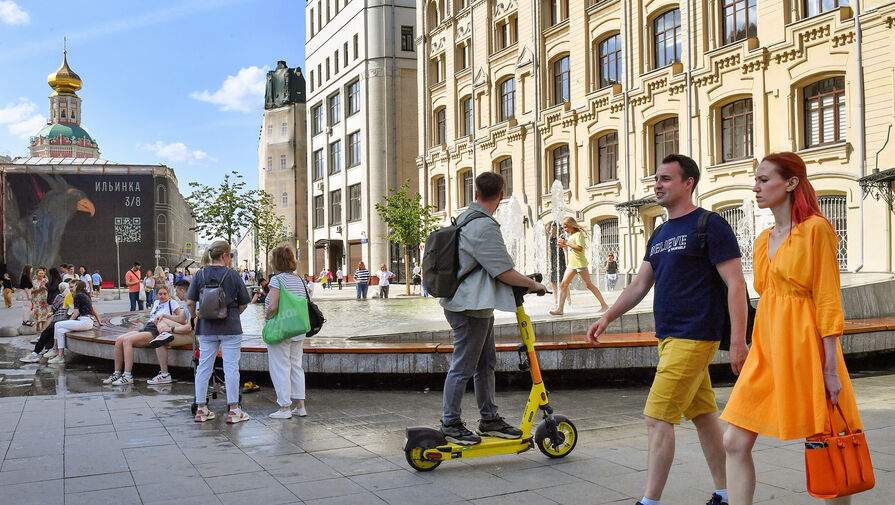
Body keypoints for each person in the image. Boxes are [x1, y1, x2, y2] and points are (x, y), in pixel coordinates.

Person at [587, 154, 747, 505]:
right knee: (704, 417)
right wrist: (607, 316)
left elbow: (736, 284)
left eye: (666, 179)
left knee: (656, 418)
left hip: (696, 334)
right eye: (656, 179)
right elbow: (640, 284)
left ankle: (649, 502)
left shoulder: (710, 224)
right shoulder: (660, 232)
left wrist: (737, 341)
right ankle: (726, 493)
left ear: (688, 182)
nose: (657, 185)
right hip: (670, 335)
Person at [721, 153, 864, 505]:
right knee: (733, 441)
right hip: (767, 351)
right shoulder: (762, 239)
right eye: (755, 180)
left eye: (764, 180)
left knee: (827, 442)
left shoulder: (816, 229)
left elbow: (828, 300)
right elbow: (766, 298)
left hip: (806, 350)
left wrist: (830, 369)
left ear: (791, 183)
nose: (756, 187)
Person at [439, 172, 546, 445]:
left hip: (475, 305)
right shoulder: (483, 226)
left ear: (476, 193)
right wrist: (533, 286)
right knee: (463, 366)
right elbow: (503, 271)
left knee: (485, 363)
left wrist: (524, 281)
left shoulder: (466, 217)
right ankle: (450, 423)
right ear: (501, 195)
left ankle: (489, 419)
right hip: (469, 307)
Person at [187, 240, 251, 424]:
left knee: (203, 368)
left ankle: (201, 409)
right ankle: (234, 411)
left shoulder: (200, 274)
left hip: (206, 327)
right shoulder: (233, 275)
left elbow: (190, 302)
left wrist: (194, 317)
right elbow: (244, 302)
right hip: (230, 326)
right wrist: (233, 313)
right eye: (229, 255)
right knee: (231, 367)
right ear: (224, 256)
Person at [101, 285, 185, 386]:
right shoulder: (156, 303)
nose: (162, 296)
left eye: (165, 294)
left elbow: (181, 319)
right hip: (147, 327)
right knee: (119, 340)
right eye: (160, 294)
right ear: (157, 295)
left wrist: (166, 321)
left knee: (128, 340)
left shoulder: (172, 303)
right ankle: (117, 373)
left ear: (168, 294)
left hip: (155, 331)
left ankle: (127, 375)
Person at [265, 246, 310, 419]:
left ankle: (284, 407)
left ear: (276, 262)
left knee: (280, 367)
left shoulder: (277, 280)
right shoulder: (300, 280)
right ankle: (300, 406)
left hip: (281, 330)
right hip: (298, 329)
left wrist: (268, 318)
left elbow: (273, 306)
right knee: (296, 366)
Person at [549, 216, 609, 315]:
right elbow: (571, 248)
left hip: (580, 263)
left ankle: (604, 305)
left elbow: (579, 248)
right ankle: (560, 309)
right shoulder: (571, 236)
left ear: (572, 225)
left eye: (566, 227)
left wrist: (566, 243)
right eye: (564, 227)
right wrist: (564, 246)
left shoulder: (578, 235)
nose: (565, 229)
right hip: (572, 265)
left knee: (588, 285)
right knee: (563, 284)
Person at [147, 279, 193, 383]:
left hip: (194, 336)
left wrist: (170, 329)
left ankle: (164, 375)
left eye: (176, 291)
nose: (176, 294)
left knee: (160, 342)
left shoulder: (193, 303)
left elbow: (189, 327)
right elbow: (181, 319)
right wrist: (164, 315)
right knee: (161, 320)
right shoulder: (188, 303)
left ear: (182, 291)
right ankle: (163, 334)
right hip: (190, 332)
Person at [48, 280, 104, 364]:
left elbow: (76, 313)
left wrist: (69, 322)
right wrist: (99, 322)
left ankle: (55, 349)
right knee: (60, 331)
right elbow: (93, 309)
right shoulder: (86, 295)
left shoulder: (77, 296)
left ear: (78, 287)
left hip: (84, 321)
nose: (71, 288)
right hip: (87, 322)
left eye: (74, 286)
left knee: (57, 324)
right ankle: (60, 356)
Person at [21, 281, 70, 362]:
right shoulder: (71, 296)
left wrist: (52, 312)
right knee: (51, 334)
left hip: (59, 320)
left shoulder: (60, 296)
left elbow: (54, 307)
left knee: (45, 333)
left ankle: (35, 354)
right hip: (66, 320)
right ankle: (48, 351)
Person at [546, 221, 568, 308]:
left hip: (561, 262)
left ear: (554, 229)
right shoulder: (551, 239)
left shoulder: (561, 238)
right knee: (553, 283)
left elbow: (565, 251)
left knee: (563, 283)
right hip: (553, 263)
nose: (548, 232)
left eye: (549, 230)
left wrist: (567, 264)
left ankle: (569, 302)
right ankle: (555, 303)